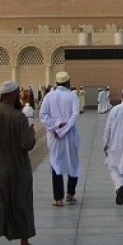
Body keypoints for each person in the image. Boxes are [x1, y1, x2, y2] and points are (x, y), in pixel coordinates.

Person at [0, 80, 39, 245]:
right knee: (21, 203)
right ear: (11, 95)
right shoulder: (19, 117)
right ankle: (24, 243)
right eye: (17, 94)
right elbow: (27, 144)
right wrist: (31, 133)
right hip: (18, 169)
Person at [39, 71, 81, 207]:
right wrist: (64, 128)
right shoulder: (72, 96)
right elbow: (75, 115)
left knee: (56, 164)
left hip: (54, 136)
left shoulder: (49, 96)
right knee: (73, 163)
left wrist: (56, 128)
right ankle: (70, 193)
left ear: (57, 83)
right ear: (68, 83)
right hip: (70, 135)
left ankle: (58, 199)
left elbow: (43, 115)